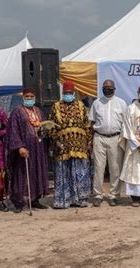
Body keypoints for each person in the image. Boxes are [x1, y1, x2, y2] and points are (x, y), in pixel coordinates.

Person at [49, 80, 92, 209]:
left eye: (70, 92)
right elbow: (51, 125)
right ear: (62, 93)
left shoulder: (81, 106)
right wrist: (55, 140)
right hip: (62, 147)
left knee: (80, 173)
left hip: (80, 147)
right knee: (63, 173)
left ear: (74, 93)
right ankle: (63, 200)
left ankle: (79, 199)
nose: (68, 94)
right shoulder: (55, 106)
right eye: (65, 93)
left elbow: (87, 125)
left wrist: (88, 141)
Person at [7, 87, 49, 213]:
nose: (29, 99)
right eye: (27, 97)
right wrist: (19, 146)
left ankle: (35, 199)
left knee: (36, 172)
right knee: (22, 174)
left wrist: (45, 130)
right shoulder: (17, 112)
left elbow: (42, 126)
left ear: (35, 98)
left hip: (38, 148)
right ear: (23, 98)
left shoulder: (39, 111)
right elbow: (13, 131)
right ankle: (19, 202)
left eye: (31, 97)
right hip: (24, 148)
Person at [89, 79, 127, 207]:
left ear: (114, 88)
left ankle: (114, 195)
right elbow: (92, 122)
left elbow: (125, 123)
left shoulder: (121, 103)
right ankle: (98, 195)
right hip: (99, 138)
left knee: (115, 168)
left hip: (116, 138)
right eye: (105, 87)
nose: (107, 88)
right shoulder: (96, 103)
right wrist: (90, 140)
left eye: (110, 87)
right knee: (98, 168)